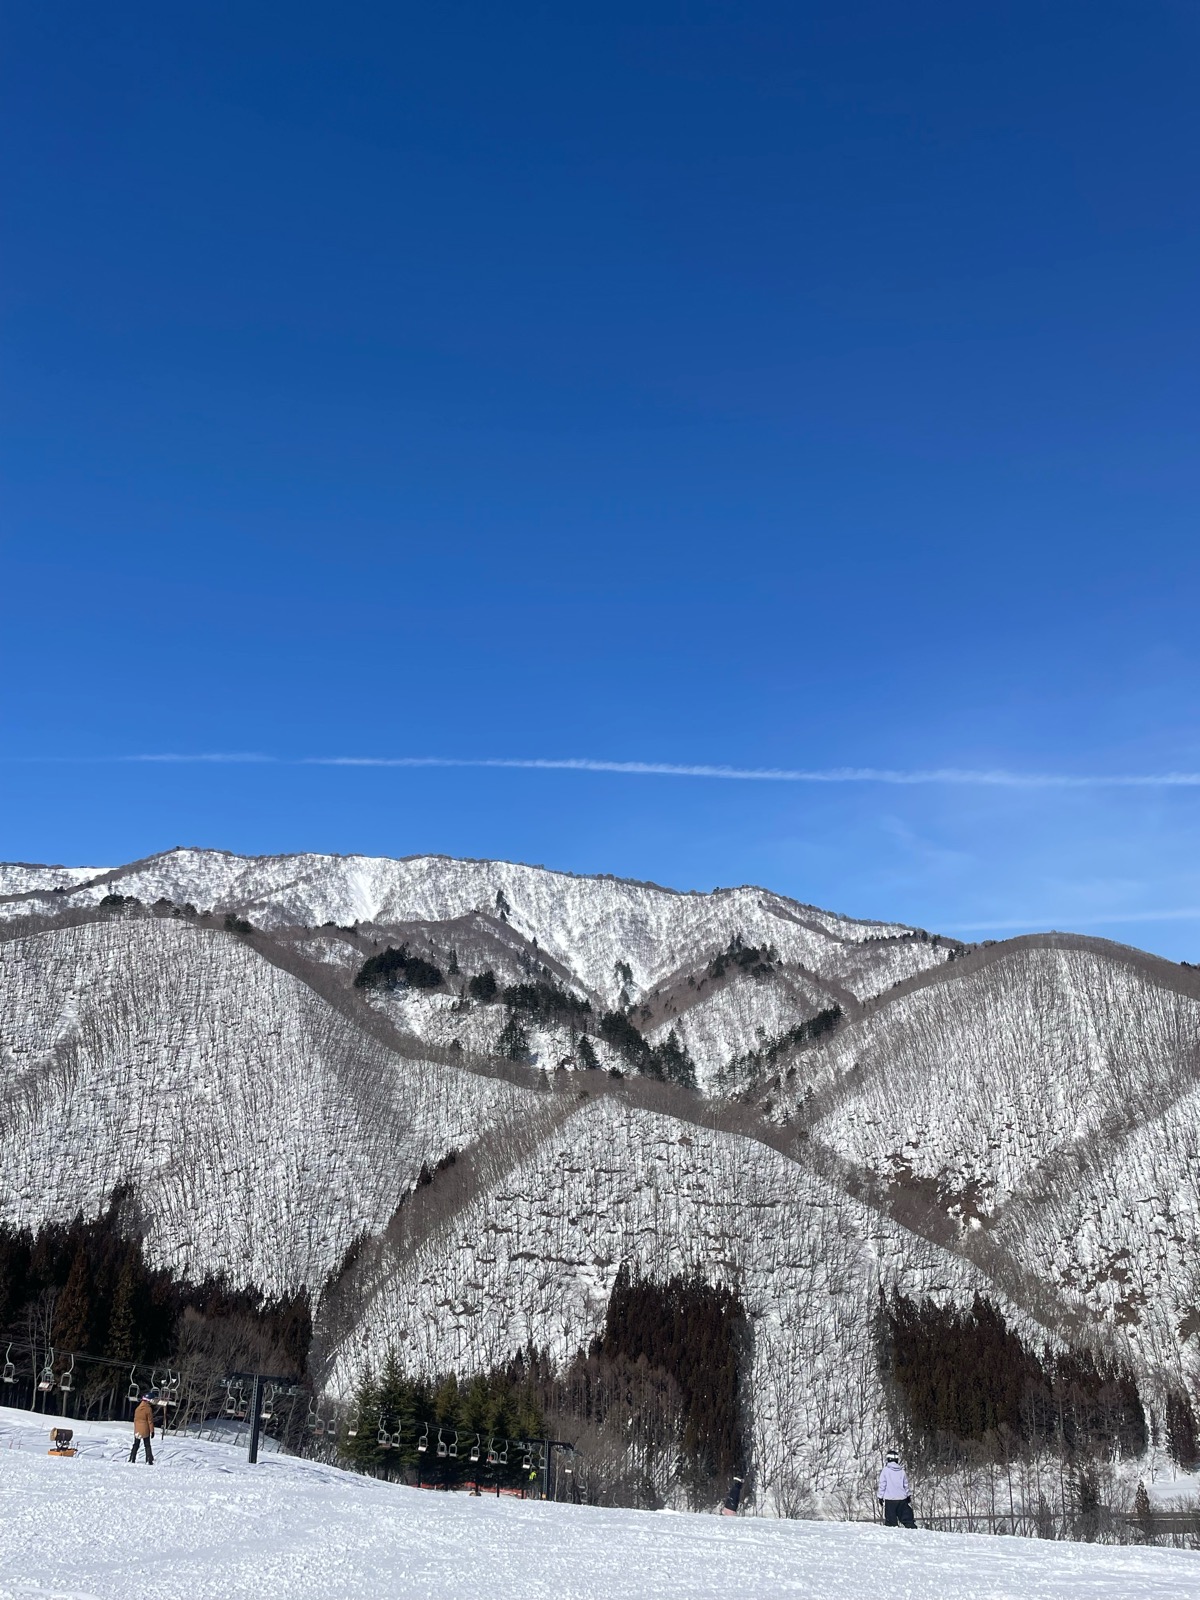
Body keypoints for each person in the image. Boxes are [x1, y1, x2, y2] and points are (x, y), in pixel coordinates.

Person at [877, 1450, 915, 1527]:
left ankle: (893, 1536)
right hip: (902, 1498)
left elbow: (882, 1485)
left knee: (891, 1522)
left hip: (890, 1499)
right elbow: (906, 1485)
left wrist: (880, 1497)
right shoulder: (902, 1471)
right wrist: (908, 1495)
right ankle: (913, 1532)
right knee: (907, 1519)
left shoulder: (885, 1471)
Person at [130, 1395, 156, 1465]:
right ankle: (148, 1460)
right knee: (147, 1445)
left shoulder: (138, 1408)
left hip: (137, 1429)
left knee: (136, 1444)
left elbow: (135, 1419)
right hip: (145, 1429)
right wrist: (152, 1431)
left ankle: (132, 1458)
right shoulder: (148, 1409)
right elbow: (150, 1421)